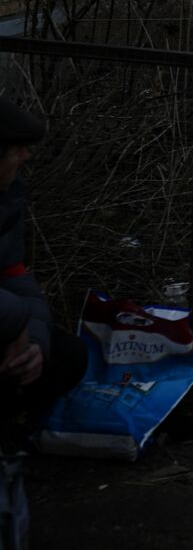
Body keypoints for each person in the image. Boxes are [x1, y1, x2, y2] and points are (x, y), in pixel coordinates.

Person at [1, 97, 87, 449]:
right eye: (17, 149)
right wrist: (16, 322)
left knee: (65, 355)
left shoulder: (7, 200)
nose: (27, 157)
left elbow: (19, 283)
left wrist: (35, 345)